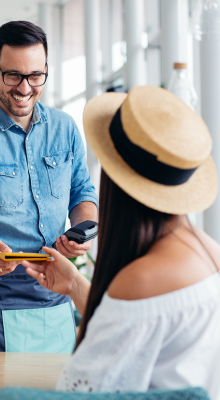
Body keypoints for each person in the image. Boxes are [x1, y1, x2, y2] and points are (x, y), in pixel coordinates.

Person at [23, 86, 220, 398]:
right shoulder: (209, 253)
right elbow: (137, 334)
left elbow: (80, 390)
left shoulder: (142, 278)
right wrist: (75, 283)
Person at [0, 21, 98, 367]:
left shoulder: (65, 129)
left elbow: (83, 194)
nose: (25, 88)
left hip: (56, 288)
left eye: (36, 76)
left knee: (59, 391)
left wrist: (82, 231)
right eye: (13, 76)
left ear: (46, 71)